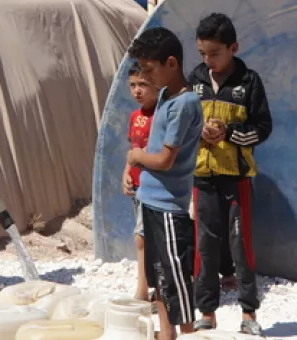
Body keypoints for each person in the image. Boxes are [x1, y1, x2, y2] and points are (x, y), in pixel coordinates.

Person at [186, 13, 274, 335]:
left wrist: (229, 132)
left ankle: (249, 314)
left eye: (214, 53)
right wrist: (200, 132)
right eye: (202, 54)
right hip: (202, 178)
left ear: (233, 47)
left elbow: (263, 128)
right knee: (205, 245)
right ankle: (206, 312)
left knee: (241, 245)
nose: (208, 61)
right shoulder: (194, 79)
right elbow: (182, 124)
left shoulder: (249, 81)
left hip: (236, 178)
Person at [126, 27, 205, 340]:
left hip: (169, 205)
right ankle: (166, 332)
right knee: (158, 273)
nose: (146, 77)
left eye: (149, 70)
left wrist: (136, 156)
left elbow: (164, 160)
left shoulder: (184, 103)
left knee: (175, 276)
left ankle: (186, 332)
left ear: (171, 63)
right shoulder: (164, 96)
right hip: (151, 199)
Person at [123, 65, 159, 302]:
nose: (137, 91)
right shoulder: (135, 117)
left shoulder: (162, 115)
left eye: (143, 84)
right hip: (138, 186)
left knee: (143, 237)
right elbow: (133, 150)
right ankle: (145, 288)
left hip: (155, 186)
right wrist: (126, 172)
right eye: (133, 85)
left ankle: (143, 290)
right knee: (142, 236)